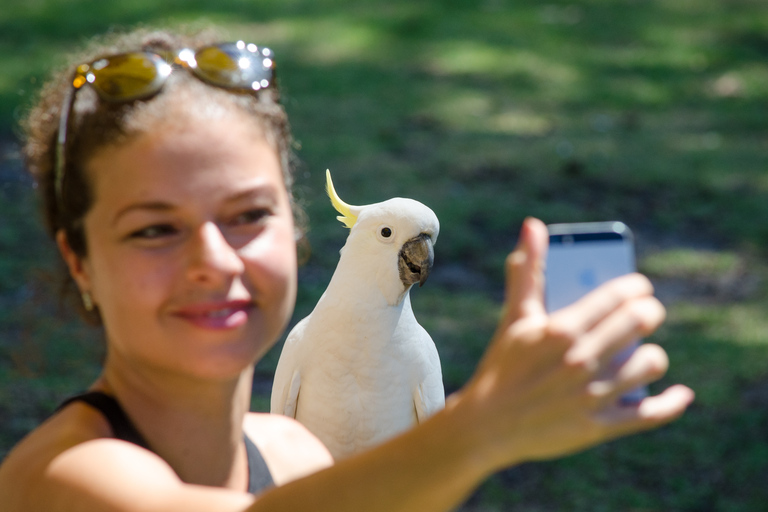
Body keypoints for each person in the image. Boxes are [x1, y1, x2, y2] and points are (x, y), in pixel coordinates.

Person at [0, 26, 694, 511]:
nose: (213, 261)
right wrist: (481, 427)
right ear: (80, 261)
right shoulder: (60, 479)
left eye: (248, 216)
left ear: (295, 234)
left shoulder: (294, 455)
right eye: (154, 229)